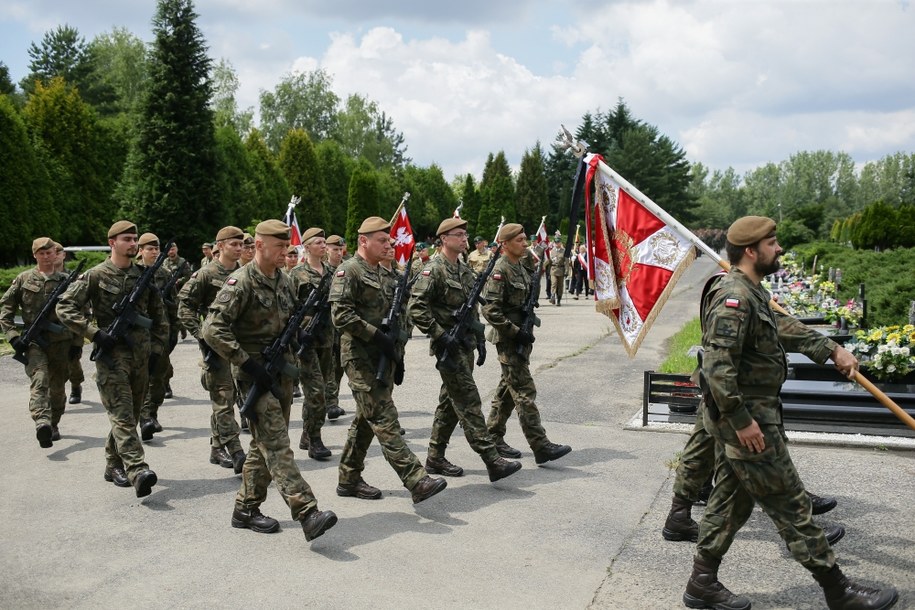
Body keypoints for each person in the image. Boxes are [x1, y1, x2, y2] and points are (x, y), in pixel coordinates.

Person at [682, 216, 898, 610]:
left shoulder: (750, 292)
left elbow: (780, 326)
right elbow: (716, 368)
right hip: (746, 422)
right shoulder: (734, 297)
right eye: (773, 242)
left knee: (731, 500)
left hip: (751, 417)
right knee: (791, 503)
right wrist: (743, 422)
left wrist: (831, 349)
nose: (779, 248)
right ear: (752, 250)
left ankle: (701, 583)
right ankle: (839, 591)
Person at [202, 220, 337, 542]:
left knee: (262, 445)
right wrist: (246, 362)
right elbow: (212, 329)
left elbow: (289, 319)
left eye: (287, 247)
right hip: (254, 376)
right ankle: (306, 510)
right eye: (279, 247)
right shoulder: (241, 282)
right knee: (276, 443)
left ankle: (245, 508)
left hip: (282, 372)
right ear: (260, 246)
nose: (285, 253)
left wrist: (299, 332)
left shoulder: (285, 281)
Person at [329, 216, 446, 504]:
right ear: (363, 241)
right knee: (384, 417)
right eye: (382, 240)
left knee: (366, 420)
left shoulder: (385, 273)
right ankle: (416, 479)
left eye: (389, 240)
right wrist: (375, 336)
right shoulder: (349, 271)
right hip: (359, 358)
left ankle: (349, 478)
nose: (389, 244)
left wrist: (397, 349)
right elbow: (340, 316)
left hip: (384, 357)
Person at [56, 221, 167, 498]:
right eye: (127, 239)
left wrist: (157, 351)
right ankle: (137, 468)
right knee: (122, 415)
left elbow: (159, 316)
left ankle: (112, 463)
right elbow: (64, 306)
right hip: (112, 358)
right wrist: (94, 333)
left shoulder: (144, 275)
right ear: (112, 243)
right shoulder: (96, 275)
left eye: (135, 239)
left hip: (141, 357)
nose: (133, 244)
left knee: (127, 415)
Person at [409, 217, 522, 483]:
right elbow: (415, 308)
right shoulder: (433, 269)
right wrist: (439, 334)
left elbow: (472, 308)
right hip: (448, 347)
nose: (464, 239)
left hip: (465, 344)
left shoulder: (463, 269)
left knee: (450, 402)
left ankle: (435, 456)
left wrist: (480, 340)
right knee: (469, 400)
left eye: (465, 234)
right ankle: (491, 459)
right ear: (444, 239)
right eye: (458, 235)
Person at [479, 223, 572, 464]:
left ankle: (493, 435)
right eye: (519, 240)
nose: (524, 243)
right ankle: (540, 446)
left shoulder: (519, 266)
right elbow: (490, 309)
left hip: (523, 336)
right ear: (506, 244)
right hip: (510, 340)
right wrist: (514, 331)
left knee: (507, 390)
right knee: (524, 391)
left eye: (524, 239)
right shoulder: (500, 270)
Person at [177, 226, 246, 474]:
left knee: (231, 398)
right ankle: (236, 450)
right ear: (220, 245)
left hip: (240, 347)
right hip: (216, 347)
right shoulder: (205, 274)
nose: (239, 249)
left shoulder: (243, 273)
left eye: (241, 245)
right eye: (234, 244)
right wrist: (201, 336)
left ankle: (217, 447)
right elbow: (184, 306)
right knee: (224, 399)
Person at [1, 237, 81, 447]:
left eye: (50, 253)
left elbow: (79, 314)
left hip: (62, 342)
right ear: (35, 255)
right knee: (40, 379)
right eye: (41, 253)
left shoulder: (68, 281)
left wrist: (77, 344)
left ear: (56, 254)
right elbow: (5, 310)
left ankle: (53, 424)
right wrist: (13, 336)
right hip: (34, 342)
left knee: (57, 389)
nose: (46, 257)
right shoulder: (23, 279)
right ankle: (42, 422)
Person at [288, 227, 335, 460]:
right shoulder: (296, 274)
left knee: (323, 390)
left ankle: (307, 432)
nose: (323, 245)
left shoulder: (333, 271)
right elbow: (288, 308)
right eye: (318, 242)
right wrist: (297, 333)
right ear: (306, 246)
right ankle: (315, 438)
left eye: (324, 242)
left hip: (328, 338)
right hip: (305, 340)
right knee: (315, 391)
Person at [136, 233, 178, 440]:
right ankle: (145, 418)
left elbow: (174, 304)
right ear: (140, 250)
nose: (154, 252)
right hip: (136, 335)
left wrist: (174, 331)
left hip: (160, 332)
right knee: (143, 376)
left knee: (160, 377)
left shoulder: (165, 273)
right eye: (149, 249)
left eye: (156, 248)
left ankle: (151, 412)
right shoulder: (133, 272)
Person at [52, 242, 85, 405]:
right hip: (50, 331)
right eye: (53, 252)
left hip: (70, 330)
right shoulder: (44, 277)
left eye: (58, 252)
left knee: (73, 364)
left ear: (63, 255)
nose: (55, 255)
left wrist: (78, 340)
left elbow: (83, 310)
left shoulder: (74, 278)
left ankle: (76, 385)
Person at [323, 234, 346, 421]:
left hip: (342, 327)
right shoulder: (322, 271)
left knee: (339, 367)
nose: (338, 253)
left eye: (340, 249)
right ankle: (330, 402)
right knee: (328, 366)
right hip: (325, 327)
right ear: (327, 250)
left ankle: (333, 399)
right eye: (335, 249)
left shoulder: (346, 269)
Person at [548, 236, 568, 306]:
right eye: (556, 242)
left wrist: (566, 271)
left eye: (558, 242)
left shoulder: (564, 251)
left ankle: (559, 299)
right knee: (554, 283)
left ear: (560, 243)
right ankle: (553, 296)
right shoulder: (551, 251)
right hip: (553, 270)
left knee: (560, 286)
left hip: (561, 270)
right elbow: (549, 261)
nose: (557, 244)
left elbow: (566, 262)